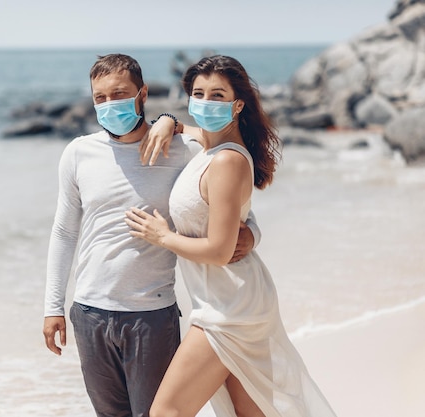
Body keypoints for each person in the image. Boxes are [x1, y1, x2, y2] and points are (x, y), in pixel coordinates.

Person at [42, 53, 262, 417]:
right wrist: (53, 308)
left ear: (142, 94)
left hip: (151, 315)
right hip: (89, 314)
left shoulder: (186, 151)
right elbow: (64, 231)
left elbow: (237, 201)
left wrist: (252, 233)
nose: (110, 104)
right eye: (101, 98)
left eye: (120, 93)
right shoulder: (79, 153)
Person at [125, 55, 336, 417]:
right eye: (198, 93)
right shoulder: (211, 147)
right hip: (229, 300)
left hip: (229, 309)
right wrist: (166, 121)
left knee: (167, 411)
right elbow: (186, 131)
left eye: (217, 95)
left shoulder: (227, 161)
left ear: (237, 104)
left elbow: (220, 251)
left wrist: (162, 236)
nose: (206, 103)